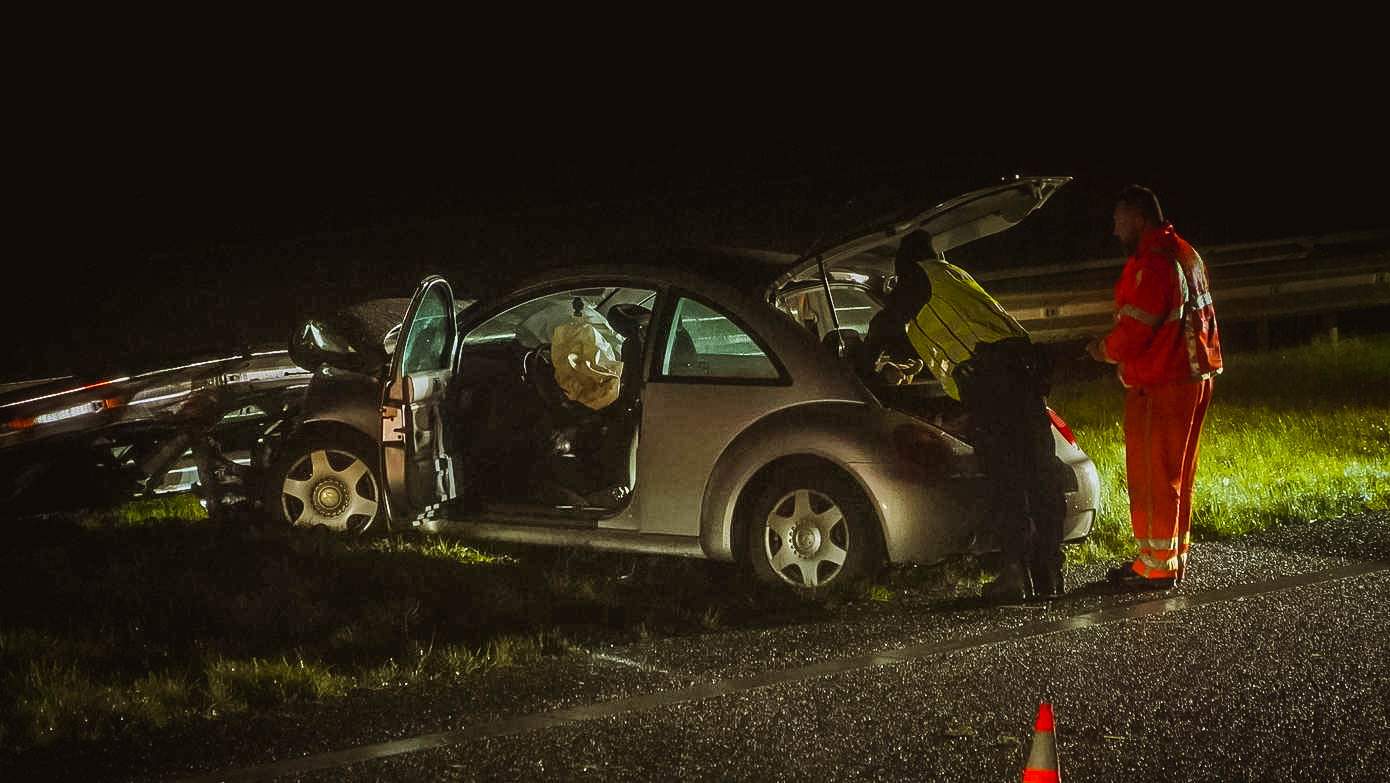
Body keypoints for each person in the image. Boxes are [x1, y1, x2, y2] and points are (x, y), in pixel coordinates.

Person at [860, 230, 1066, 602]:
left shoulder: (919, 275)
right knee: (1039, 473)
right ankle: (1049, 570)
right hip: (1023, 373)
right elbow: (945, 328)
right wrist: (910, 362)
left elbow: (887, 323)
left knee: (1007, 479)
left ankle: (1014, 574)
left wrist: (861, 362)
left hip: (993, 383)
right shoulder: (953, 277)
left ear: (905, 263)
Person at [1085, 185, 1222, 590]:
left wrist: (1101, 351)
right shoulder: (1184, 252)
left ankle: (1156, 566)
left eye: (1118, 221)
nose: (1114, 231)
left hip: (1163, 383)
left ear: (1139, 218)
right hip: (1194, 376)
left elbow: (1134, 332)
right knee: (1178, 473)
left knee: (1153, 475)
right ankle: (1171, 556)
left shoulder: (1154, 263)